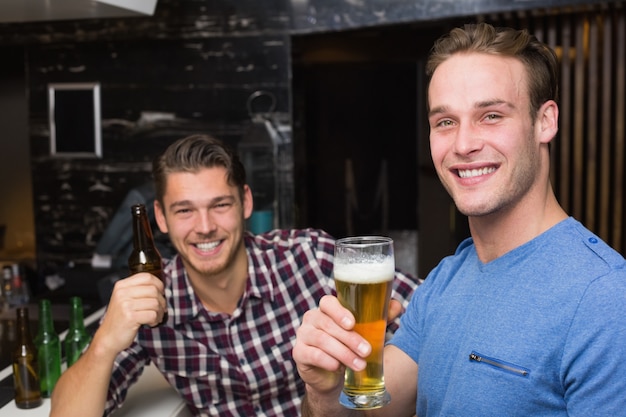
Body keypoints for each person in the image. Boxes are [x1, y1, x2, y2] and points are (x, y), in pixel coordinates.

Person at [292, 22, 626, 417]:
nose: (464, 144)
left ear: (545, 121)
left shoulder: (604, 299)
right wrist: (324, 390)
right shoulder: (444, 280)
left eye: (491, 115)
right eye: (445, 122)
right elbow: (371, 412)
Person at [49, 134, 419, 417]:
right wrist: (104, 343)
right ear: (160, 218)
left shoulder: (308, 256)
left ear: (245, 202)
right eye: (185, 211)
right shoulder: (153, 304)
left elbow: (429, 308)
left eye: (220, 205)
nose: (205, 227)